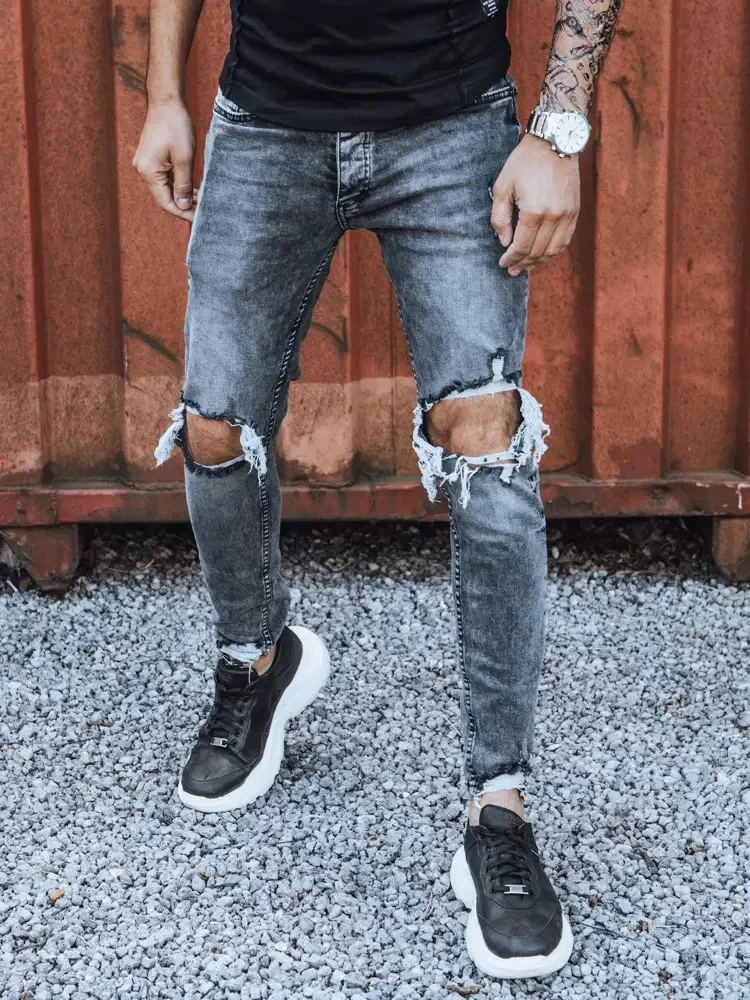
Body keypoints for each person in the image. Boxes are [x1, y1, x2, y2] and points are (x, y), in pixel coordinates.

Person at [134, 0, 622, 980]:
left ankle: (499, 809)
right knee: (215, 424)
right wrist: (162, 96)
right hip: (267, 119)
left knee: (486, 442)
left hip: (449, 124)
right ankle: (257, 661)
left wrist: (558, 130)